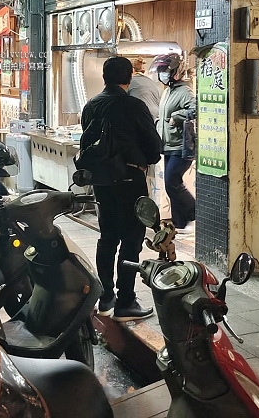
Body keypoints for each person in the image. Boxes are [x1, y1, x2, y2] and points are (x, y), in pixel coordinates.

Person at [80, 56, 161, 322]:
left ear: (105, 77)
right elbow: (154, 146)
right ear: (129, 78)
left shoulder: (91, 106)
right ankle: (126, 301)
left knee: (107, 237)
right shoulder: (133, 105)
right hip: (130, 180)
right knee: (131, 240)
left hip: (102, 182)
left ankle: (105, 297)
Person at [153, 53, 197, 232]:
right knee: (171, 183)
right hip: (168, 145)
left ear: (175, 71)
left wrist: (177, 117)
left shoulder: (184, 90)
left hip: (181, 144)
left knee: (172, 181)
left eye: (165, 70)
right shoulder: (167, 91)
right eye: (161, 70)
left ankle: (194, 213)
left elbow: (195, 108)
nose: (162, 73)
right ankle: (180, 222)